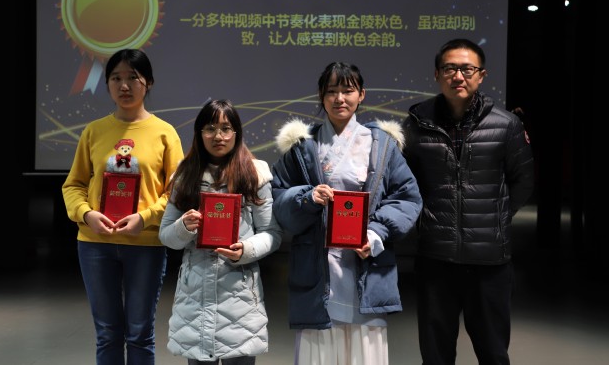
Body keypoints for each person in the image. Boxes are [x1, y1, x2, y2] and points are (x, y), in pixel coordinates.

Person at [270, 62, 423, 365]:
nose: (339, 98)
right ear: (321, 96)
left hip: (364, 262)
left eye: (347, 90)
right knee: (318, 354)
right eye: (332, 91)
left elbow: (407, 197)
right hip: (318, 267)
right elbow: (279, 198)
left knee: (364, 354)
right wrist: (306, 198)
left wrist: (375, 233)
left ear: (361, 94)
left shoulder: (382, 144)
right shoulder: (303, 147)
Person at [402, 38, 535, 365]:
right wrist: (423, 221)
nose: (458, 76)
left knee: (493, 353)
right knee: (435, 355)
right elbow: (405, 183)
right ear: (437, 74)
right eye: (449, 68)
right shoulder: (416, 124)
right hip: (435, 257)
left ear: (481, 75)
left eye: (467, 69)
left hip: (489, 261)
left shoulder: (506, 124)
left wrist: (497, 219)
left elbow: (523, 180)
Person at [62, 48, 185, 365]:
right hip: (95, 244)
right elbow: (73, 185)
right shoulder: (94, 131)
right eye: (116, 78)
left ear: (149, 83)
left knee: (140, 333)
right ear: (107, 84)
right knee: (107, 334)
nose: (124, 85)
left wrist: (145, 218)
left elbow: (177, 193)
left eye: (133, 77)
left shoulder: (165, 133)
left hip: (145, 244)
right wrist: (86, 214)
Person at [159, 99, 283, 365]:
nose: (218, 136)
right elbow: (166, 236)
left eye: (226, 129)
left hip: (240, 298)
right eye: (210, 128)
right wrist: (183, 227)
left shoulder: (255, 173)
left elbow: (271, 233)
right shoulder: (185, 175)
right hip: (194, 297)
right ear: (199, 133)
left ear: (236, 133)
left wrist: (245, 250)